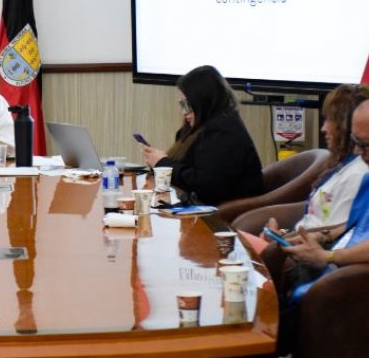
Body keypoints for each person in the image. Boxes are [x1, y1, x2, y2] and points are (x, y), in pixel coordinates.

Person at [272, 99, 369, 354]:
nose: (357, 152)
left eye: (364, 144)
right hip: (336, 266)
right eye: (355, 141)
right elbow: (354, 224)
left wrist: (327, 255)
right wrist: (322, 238)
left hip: (349, 281)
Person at [141, 65, 264, 205]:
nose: (184, 112)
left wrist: (162, 163)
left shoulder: (224, 131)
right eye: (181, 105)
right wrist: (158, 162)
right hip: (202, 206)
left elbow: (204, 185)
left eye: (187, 105)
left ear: (202, 102)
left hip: (230, 213)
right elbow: (187, 171)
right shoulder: (205, 126)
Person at [262, 84, 369, 237]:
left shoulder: (358, 174)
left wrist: (282, 242)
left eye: (329, 120)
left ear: (345, 126)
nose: (323, 128)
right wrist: (282, 235)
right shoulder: (343, 167)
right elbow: (314, 221)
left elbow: (335, 237)